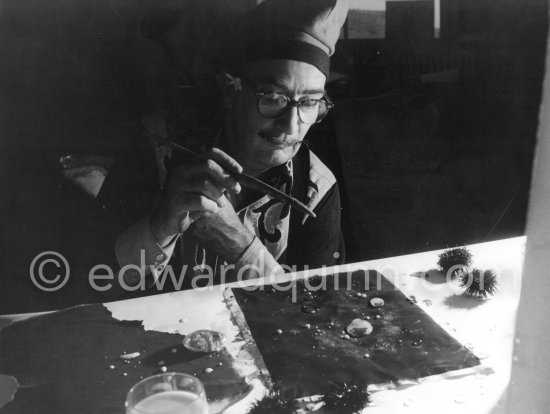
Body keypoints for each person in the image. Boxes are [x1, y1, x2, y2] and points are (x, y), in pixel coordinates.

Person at [114, 0, 350, 291]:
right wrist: (161, 225)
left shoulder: (317, 187)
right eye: (273, 97)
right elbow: (91, 282)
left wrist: (240, 246)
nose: (290, 126)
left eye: (310, 102)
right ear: (230, 90)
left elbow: (317, 312)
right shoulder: (157, 145)